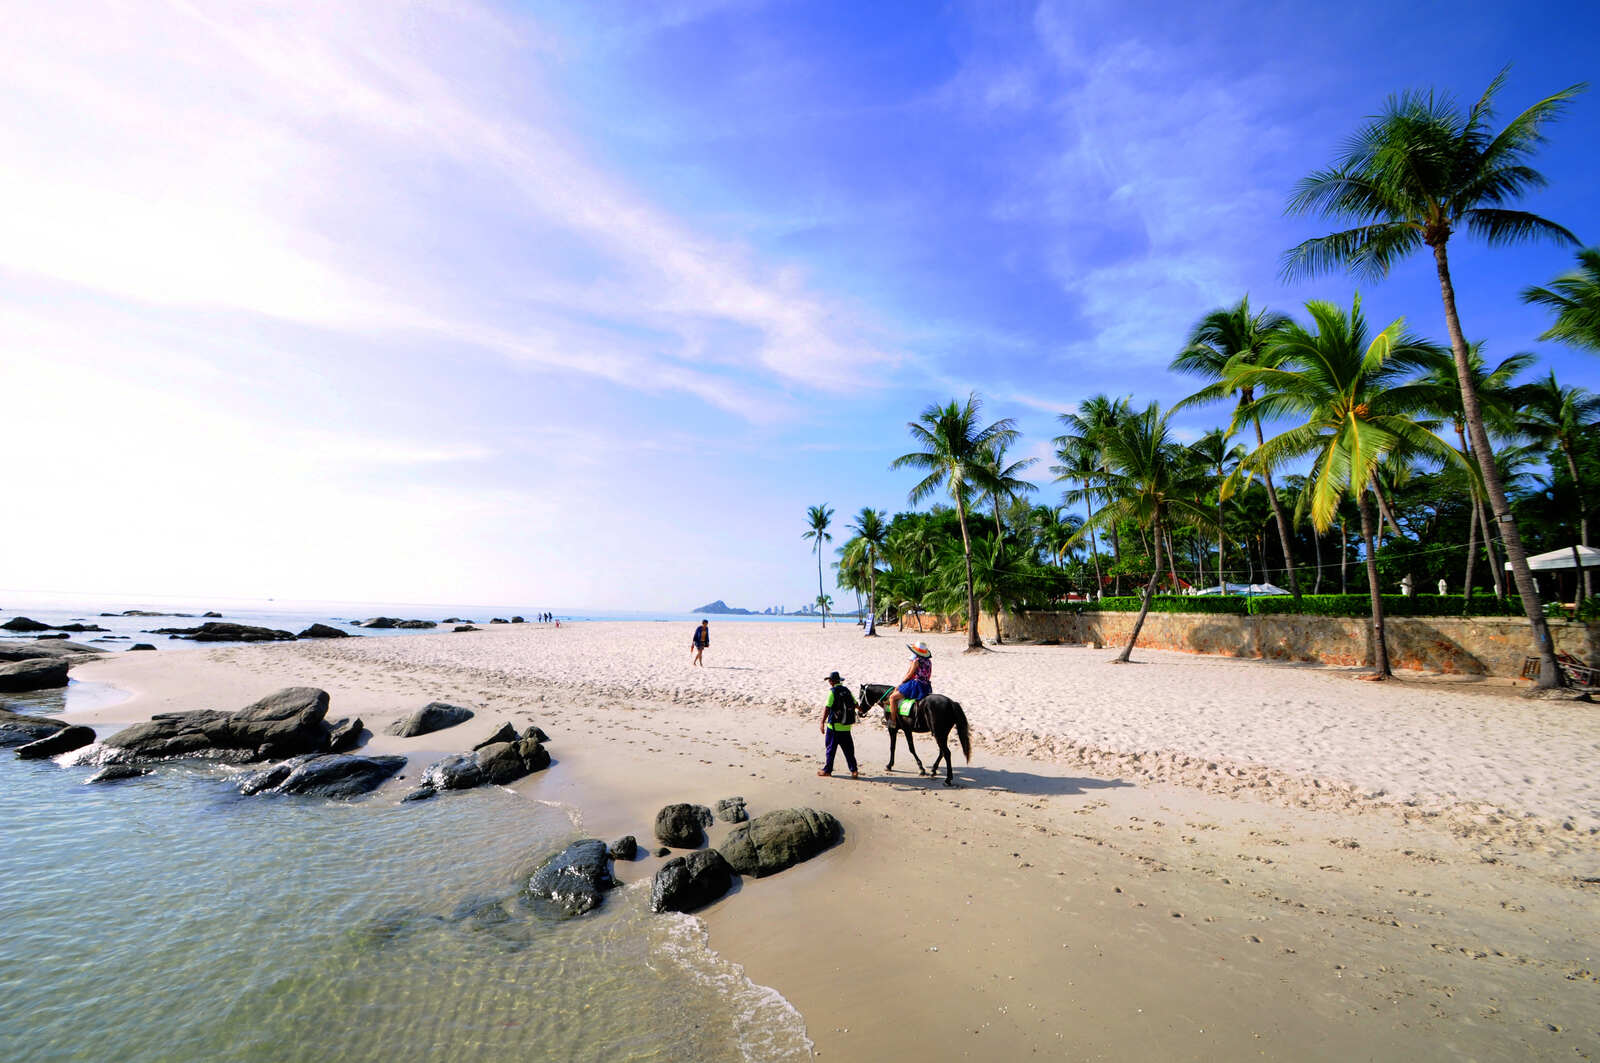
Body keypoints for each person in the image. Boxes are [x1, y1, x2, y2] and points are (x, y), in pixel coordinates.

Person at [818, 670, 858, 778]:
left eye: (829, 680)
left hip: (834, 727)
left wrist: (822, 722)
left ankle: (827, 770)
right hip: (846, 727)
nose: (829, 682)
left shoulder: (832, 692)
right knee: (849, 751)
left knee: (830, 750)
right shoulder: (847, 690)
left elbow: (827, 708)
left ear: (831, 681)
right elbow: (856, 704)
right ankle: (854, 770)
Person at [886, 641, 932, 720]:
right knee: (897, 689)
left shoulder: (916, 661)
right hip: (926, 685)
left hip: (916, 684)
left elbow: (910, 674)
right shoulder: (929, 661)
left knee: (892, 697)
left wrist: (902, 681)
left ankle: (893, 721)